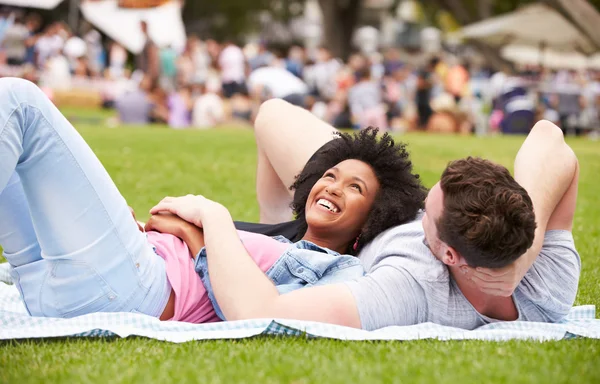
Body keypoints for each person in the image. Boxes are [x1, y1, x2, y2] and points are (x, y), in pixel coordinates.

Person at [0, 77, 425, 323]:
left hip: (131, 289)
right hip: (51, 285)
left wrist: (194, 229)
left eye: (355, 188)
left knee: (19, 100)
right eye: (330, 175)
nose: (333, 186)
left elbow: (256, 309)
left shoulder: (339, 273)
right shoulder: (283, 243)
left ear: (372, 219)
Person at [160, 98, 580, 330]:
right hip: (377, 192)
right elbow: (550, 139)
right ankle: (281, 228)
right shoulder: (546, 282)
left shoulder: (407, 289)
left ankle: (280, 246)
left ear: (449, 256)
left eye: (426, 217)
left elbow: (259, 313)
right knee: (272, 114)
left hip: (358, 218)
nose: (421, 215)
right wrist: (522, 258)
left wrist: (212, 217)